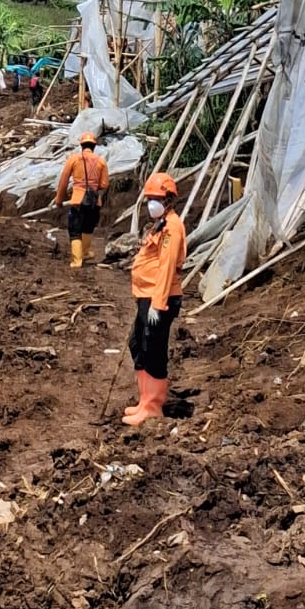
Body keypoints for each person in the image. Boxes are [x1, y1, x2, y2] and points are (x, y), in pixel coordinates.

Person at [122, 173, 187, 425]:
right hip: (146, 296)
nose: (152, 203)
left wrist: (157, 305)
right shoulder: (158, 224)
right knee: (137, 344)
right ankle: (144, 400)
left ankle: (152, 406)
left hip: (160, 298)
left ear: (169, 200)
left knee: (154, 349)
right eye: (149, 199)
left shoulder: (172, 227)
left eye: (156, 199)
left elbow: (167, 267)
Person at [53, 132, 109, 269]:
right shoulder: (101, 161)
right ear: (94, 146)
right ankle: (84, 253)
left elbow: (63, 181)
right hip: (94, 202)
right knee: (88, 228)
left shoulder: (74, 159)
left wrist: (59, 199)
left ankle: (77, 260)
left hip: (78, 199)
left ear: (81, 145)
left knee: (75, 231)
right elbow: (104, 184)